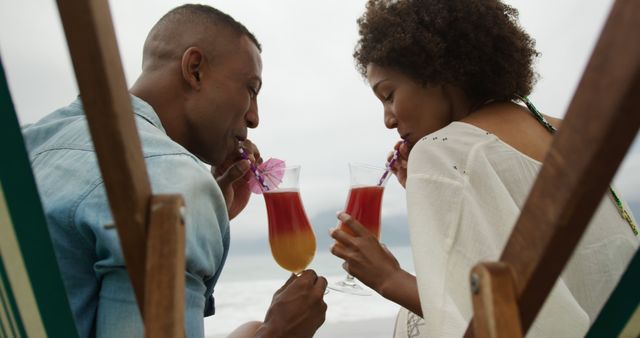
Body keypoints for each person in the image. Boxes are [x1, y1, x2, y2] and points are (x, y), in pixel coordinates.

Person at [330, 0, 639, 337]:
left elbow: (477, 324)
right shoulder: (567, 135)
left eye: (388, 95)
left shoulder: (440, 153)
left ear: (436, 68)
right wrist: (434, 192)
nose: (388, 119)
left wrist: (388, 278)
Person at [23, 4, 326, 338]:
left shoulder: (29, 141)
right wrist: (278, 334)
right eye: (250, 89)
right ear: (194, 69)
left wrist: (212, 213)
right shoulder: (176, 181)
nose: (254, 117)